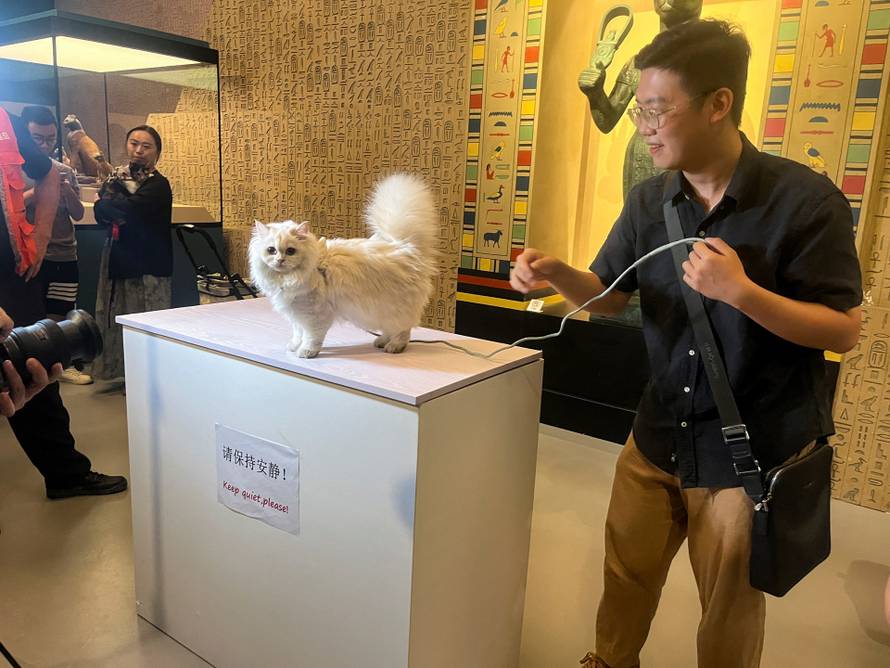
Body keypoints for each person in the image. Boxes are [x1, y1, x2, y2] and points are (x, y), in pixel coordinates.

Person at [512, 19, 861, 668]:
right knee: (624, 575)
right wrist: (555, 272)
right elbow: (610, 294)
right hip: (657, 432)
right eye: (639, 109)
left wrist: (742, 291)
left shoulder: (804, 202)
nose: (643, 124)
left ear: (718, 103)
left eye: (656, 109)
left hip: (747, 450)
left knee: (728, 608)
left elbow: (843, 328)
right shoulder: (650, 201)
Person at [0, 105, 127, 498]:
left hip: (10, 278)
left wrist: (37, 241)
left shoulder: (5, 120)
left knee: (37, 365)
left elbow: (48, 172)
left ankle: (66, 473)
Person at [93, 125, 173, 384]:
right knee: (119, 317)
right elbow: (100, 213)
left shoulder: (158, 185)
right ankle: (126, 374)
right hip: (119, 258)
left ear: (157, 153)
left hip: (148, 262)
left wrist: (107, 204)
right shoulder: (116, 179)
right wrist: (107, 205)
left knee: (147, 320)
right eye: (133, 143)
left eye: (146, 146)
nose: (138, 150)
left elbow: (128, 211)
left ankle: (150, 379)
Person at [20, 105, 92, 385]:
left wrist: (66, 192)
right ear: (24, 136)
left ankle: (60, 368)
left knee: (60, 318)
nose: (45, 145)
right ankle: (32, 373)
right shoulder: (17, 172)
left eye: (51, 139)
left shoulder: (64, 170)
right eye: (38, 138)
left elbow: (76, 213)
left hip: (66, 254)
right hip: (33, 257)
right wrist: (39, 191)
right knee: (32, 320)